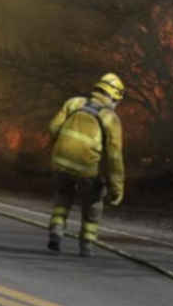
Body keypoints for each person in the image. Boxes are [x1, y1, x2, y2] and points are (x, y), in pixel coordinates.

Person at [46, 73, 125, 257]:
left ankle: (56, 230)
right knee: (94, 202)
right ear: (113, 96)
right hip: (86, 169)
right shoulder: (110, 118)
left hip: (60, 163)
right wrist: (117, 188)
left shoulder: (74, 103)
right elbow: (114, 157)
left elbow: (52, 129)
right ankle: (87, 243)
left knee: (63, 196)